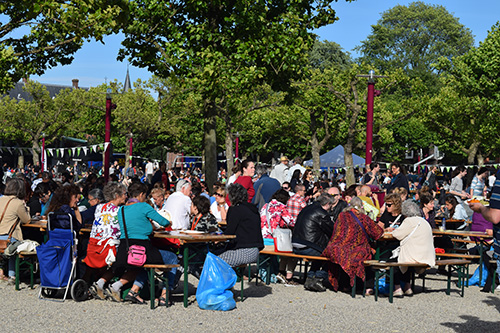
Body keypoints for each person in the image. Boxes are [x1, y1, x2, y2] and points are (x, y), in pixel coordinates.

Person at [109, 182, 177, 305]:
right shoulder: (144, 207)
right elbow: (164, 222)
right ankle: (164, 294)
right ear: (141, 195)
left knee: (143, 263)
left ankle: (134, 291)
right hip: (144, 249)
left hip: (126, 250)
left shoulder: (121, 210)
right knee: (172, 257)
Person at [323, 197, 383, 294]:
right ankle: (367, 287)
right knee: (366, 255)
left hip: (336, 247)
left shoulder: (341, 216)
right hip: (356, 248)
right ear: (361, 207)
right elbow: (377, 233)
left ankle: (345, 286)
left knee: (344, 256)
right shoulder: (363, 217)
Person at [86, 182, 127, 300]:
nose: (126, 196)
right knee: (125, 258)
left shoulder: (99, 208)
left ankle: (100, 283)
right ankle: (113, 285)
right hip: (108, 250)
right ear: (116, 195)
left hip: (94, 248)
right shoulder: (120, 211)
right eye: (124, 194)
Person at [389, 200, 435, 297]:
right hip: (427, 256)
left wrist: (391, 230)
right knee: (406, 258)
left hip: (415, 256)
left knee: (394, 261)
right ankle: (407, 287)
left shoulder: (409, 221)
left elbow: (397, 235)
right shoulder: (423, 221)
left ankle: (397, 289)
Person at [292, 193, 336, 292]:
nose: (331, 208)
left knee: (320, 254)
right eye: (331, 205)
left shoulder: (307, 208)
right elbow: (333, 231)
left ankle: (310, 277)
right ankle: (319, 278)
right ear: (328, 204)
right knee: (332, 255)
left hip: (295, 244)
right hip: (308, 246)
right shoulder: (322, 213)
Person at [217, 183, 264, 267]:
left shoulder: (235, 210)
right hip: (256, 250)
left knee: (214, 261)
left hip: (243, 250)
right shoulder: (253, 209)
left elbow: (230, 232)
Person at [260, 189, 297, 284]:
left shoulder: (265, 206)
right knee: (291, 251)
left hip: (262, 239)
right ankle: (279, 274)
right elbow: (291, 222)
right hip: (274, 240)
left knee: (265, 258)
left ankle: (267, 276)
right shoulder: (281, 207)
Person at [0, 178, 31, 283]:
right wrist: (26, 208)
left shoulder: (1, 199)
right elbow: (26, 220)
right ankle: (12, 276)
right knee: (15, 246)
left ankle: (1, 272)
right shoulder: (18, 203)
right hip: (9, 236)